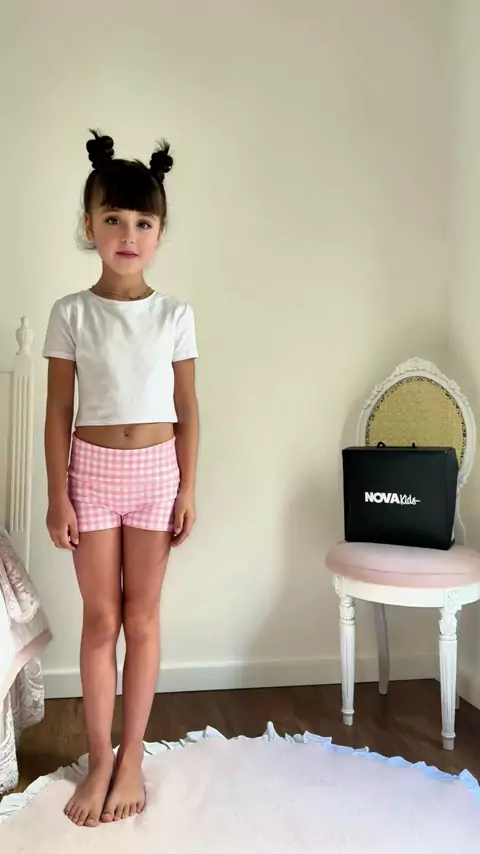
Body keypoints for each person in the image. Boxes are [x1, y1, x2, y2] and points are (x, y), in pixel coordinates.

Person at [43, 131, 199, 828]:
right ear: (90, 226)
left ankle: (132, 754)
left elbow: (188, 407)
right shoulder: (71, 313)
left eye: (142, 223)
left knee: (142, 617)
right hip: (93, 474)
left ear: (159, 232)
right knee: (101, 619)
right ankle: (99, 757)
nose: (128, 235)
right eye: (113, 219)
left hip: (156, 475)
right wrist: (58, 495)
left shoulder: (175, 315)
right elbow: (58, 411)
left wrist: (187, 488)